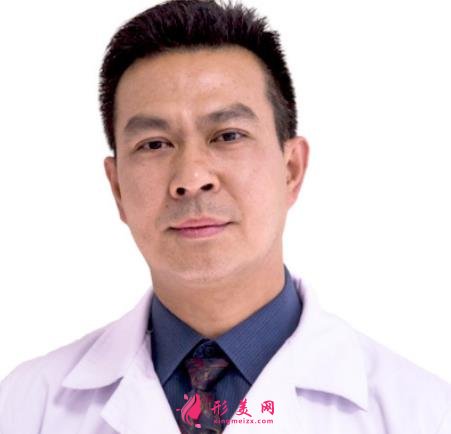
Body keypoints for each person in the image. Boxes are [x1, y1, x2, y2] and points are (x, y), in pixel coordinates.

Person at [0, 0, 450, 432]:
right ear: (117, 187)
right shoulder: (25, 407)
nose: (191, 178)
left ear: (291, 170)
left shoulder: (425, 415)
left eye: (228, 135)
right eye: (154, 144)